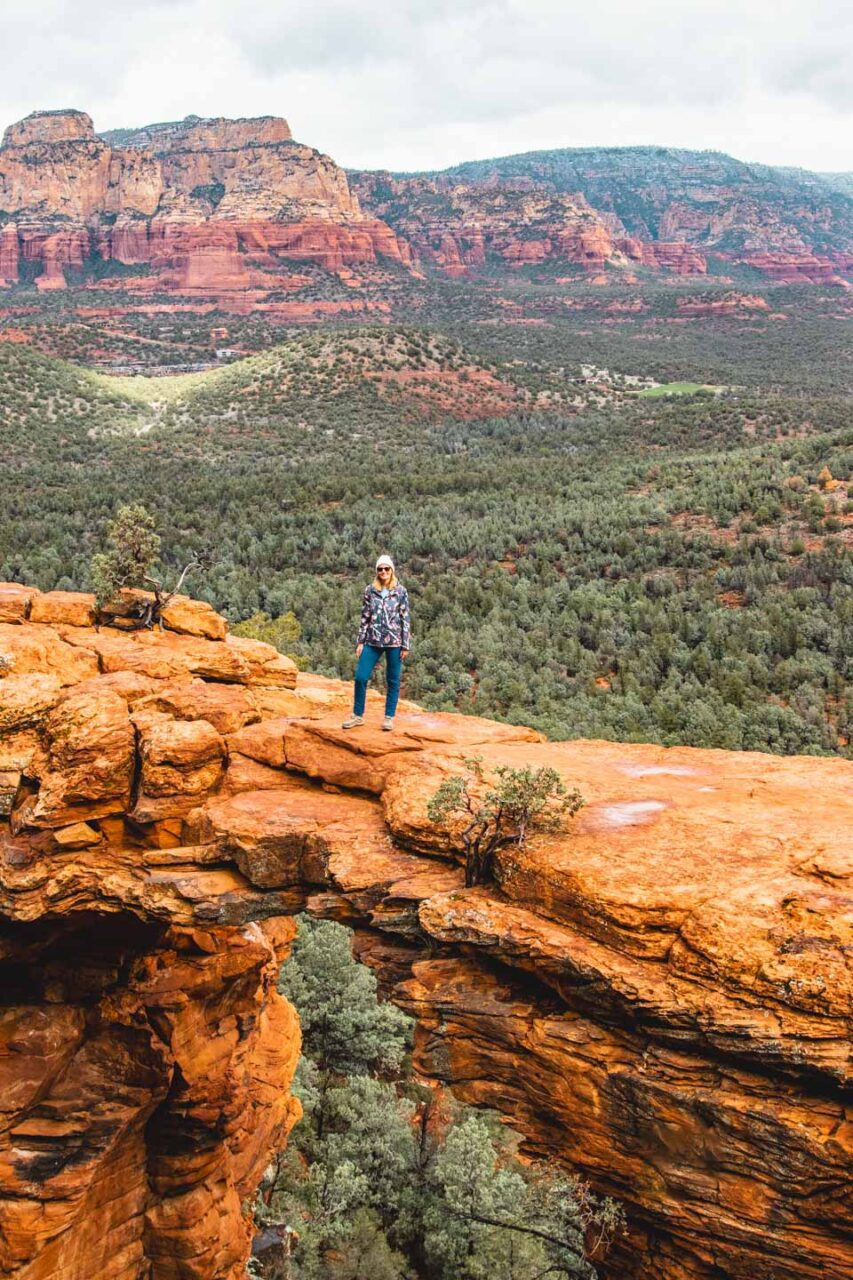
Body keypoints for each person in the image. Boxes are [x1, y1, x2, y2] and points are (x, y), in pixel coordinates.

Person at [342, 554, 410, 731]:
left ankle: (389, 717)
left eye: (387, 569)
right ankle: (357, 715)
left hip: (394, 642)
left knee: (393, 680)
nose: (383, 572)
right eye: (380, 569)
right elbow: (365, 617)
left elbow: (405, 618)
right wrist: (360, 642)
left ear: (392, 570)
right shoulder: (369, 591)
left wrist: (405, 644)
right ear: (376, 571)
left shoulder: (401, 591)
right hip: (372, 640)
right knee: (361, 677)